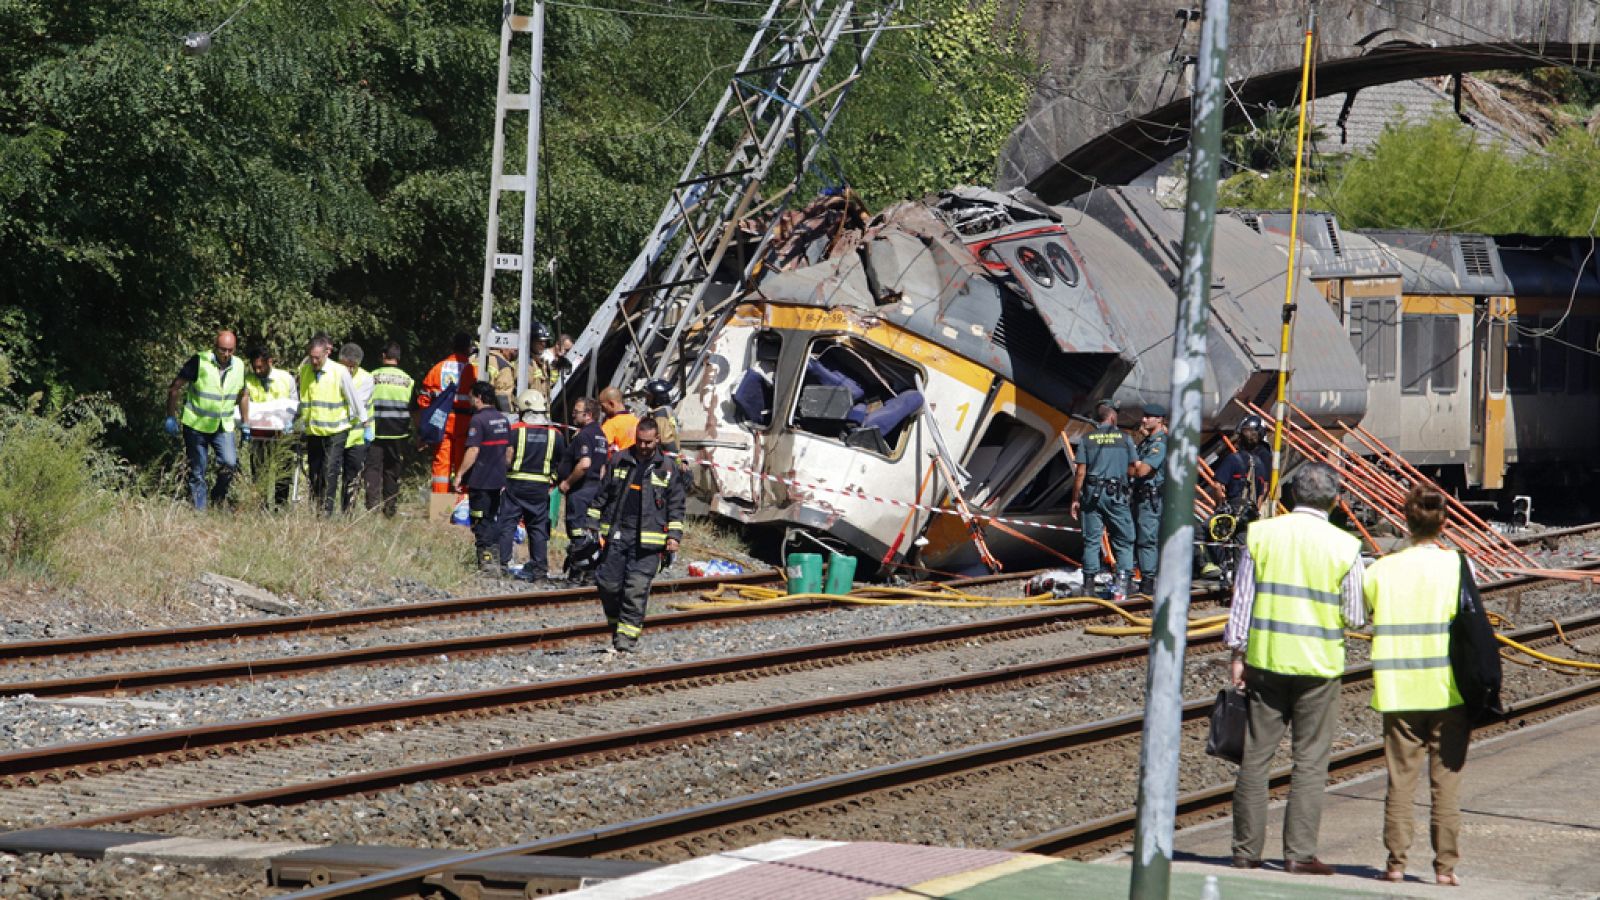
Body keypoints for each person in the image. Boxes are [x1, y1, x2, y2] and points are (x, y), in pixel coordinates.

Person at [1224, 462, 1366, 875]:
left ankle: (1245, 851)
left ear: (1291, 495)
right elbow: (1355, 615)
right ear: (1334, 500)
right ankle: (1298, 854)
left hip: (1266, 661)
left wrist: (1237, 655)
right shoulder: (1345, 546)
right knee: (1310, 760)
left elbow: (1242, 602)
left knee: (1255, 757)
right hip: (1318, 666)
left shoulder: (1262, 535)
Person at [1365, 485, 1495, 887]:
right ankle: (1445, 868)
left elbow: (1364, 611)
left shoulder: (1381, 569)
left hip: (1398, 690)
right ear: (1444, 523)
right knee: (1446, 783)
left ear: (1406, 520)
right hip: (1447, 690)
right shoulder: (1457, 565)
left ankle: (1395, 864)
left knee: (1400, 781)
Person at [586, 417, 685, 651]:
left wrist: (674, 536)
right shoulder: (620, 459)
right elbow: (603, 494)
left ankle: (626, 641)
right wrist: (591, 521)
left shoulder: (667, 467)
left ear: (657, 439)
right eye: (639, 441)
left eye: (648, 442)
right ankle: (617, 627)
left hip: (649, 542)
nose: (643, 446)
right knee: (608, 585)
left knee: (636, 589)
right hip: (618, 535)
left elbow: (676, 505)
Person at [166, 330, 250, 510]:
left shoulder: (239, 366)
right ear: (215, 347)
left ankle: (217, 498)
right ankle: (200, 511)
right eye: (222, 349)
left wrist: (245, 422)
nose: (226, 354)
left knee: (229, 463)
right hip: (196, 425)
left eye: (230, 350)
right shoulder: (199, 361)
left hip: (223, 426)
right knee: (197, 470)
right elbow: (175, 388)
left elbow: (243, 394)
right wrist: (171, 416)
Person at [1070, 398, 1136, 601]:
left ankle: (1088, 586)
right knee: (1124, 539)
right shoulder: (1125, 439)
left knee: (1091, 540)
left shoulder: (1087, 439)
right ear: (1113, 416)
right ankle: (1124, 584)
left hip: (1092, 495)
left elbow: (1080, 472)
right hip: (1116, 495)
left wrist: (1075, 499)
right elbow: (1133, 469)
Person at [497, 389, 567, 581]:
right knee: (537, 528)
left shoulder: (514, 430)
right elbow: (562, 463)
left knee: (508, 524)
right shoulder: (556, 434)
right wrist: (554, 480)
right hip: (540, 487)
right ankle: (539, 570)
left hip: (515, 484)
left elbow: (507, 458)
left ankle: (502, 566)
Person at [296, 334, 366, 515]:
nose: (314, 361)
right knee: (315, 473)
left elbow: (354, 398)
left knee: (329, 471)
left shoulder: (339, 371)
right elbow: (303, 400)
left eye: (317, 358)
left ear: (326, 354)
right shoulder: (305, 371)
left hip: (336, 430)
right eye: (311, 357)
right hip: (314, 431)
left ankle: (326, 512)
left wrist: (363, 420)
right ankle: (316, 508)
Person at [1206, 414, 1275, 579]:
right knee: (1242, 548)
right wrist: (1256, 508)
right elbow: (1265, 488)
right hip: (1250, 512)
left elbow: (1218, 486)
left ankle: (1214, 567)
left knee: (1202, 532)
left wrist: (1220, 505)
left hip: (1233, 508)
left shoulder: (1233, 459)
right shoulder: (1262, 460)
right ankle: (1238, 577)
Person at [453, 381, 511, 574]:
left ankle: (486, 562)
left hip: (481, 480)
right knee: (492, 518)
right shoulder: (503, 419)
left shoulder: (478, 420)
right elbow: (509, 451)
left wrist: (459, 474)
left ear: (478, 398)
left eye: (471, 397)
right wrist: (504, 470)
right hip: (498, 480)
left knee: (479, 521)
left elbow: (473, 450)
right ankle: (496, 557)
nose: (470, 400)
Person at [419, 332, 479, 495]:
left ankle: (440, 502)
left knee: (441, 463)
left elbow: (424, 399)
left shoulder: (438, 368)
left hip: (441, 420)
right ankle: (461, 500)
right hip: (464, 422)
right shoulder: (473, 370)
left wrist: (425, 426)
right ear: (468, 348)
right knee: (463, 462)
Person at [241, 346, 299, 507]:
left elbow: (294, 404)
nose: (257, 371)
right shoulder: (248, 380)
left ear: (270, 362)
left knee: (283, 471)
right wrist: (245, 424)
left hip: (282, 433)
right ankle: (261, 507)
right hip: (259, 434)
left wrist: (290, 421)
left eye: (261, 367)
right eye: (255, 367)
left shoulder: (286, 378)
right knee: (259, 472)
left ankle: (281, 506)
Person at [558, 396, 608, 581]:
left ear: (588, 415)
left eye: (576, 412)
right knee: (590, 532)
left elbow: (585, 463)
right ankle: (590, 571)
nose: (573, 415)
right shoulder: (601, 435)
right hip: (594, 489)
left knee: (577, 531)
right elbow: (602, 468)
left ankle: (577, 572)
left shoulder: (584, 435)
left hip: (580, 491)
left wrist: (567, 483)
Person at [366, 342, 416, 517]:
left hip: (375, 430)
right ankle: (390, 509)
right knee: (392, 470)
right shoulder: (408, 380)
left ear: (383, 356)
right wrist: (418, 433)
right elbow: (414, 409)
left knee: (372, 469)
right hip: (398, 432)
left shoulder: (371, 377)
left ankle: (371, 508)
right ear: (398, 358)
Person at [1131, 403, 1168, 595]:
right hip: (1140, 496)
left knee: (1147, 539)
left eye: (1148, 417)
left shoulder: (1159, 444)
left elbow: (1142, 470)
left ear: (1159, 419)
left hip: (1150, 498)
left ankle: (1148, 580)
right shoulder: (1147, 442)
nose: (1143, 420)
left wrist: (1134, 465)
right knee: (1139, 537)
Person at [337, 343, 375, 513]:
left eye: (354, 366)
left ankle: (348, 512)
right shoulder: (333, 374)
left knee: (351, 478)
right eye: (347, 366)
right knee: (330, 475)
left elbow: (356, 407)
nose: (350, 370)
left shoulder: (366, 378)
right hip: (335, 434)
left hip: (357, 437)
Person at [643, 378, 680, 459]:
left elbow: (666, 442)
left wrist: (674, 460)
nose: (646, 397)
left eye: (649, 395)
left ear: (657, 398)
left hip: (667, 459)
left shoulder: (660, 415)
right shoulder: (666, 409)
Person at [599, 385, 639, 456]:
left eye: (603, 407)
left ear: (611, 404)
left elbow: (601, 451)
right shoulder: (637, 421)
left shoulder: (609, 425)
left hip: (618, 461)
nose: (602, 410)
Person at [485, 342, 517, 413]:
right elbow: (502, 395)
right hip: (491, 412)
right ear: (502, 347)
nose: (516, 351)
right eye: (514, 349)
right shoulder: (503, 366)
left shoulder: (475, 357)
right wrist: (508, 415)